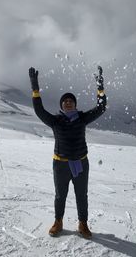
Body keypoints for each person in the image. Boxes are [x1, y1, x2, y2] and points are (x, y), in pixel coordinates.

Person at [28, 66, 107, 239]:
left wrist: (100, 88)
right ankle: (58, 222)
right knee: (60, 195)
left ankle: (83, 223)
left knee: (81, 195)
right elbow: (39, 111)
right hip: (60, 164)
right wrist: (35, 89)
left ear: (75, 104)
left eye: (71, 100)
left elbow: (101, 108)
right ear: (62, 105)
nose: (68, 102)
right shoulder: (55, 121)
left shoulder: (82, 118)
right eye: (65, 101)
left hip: (81, 163)